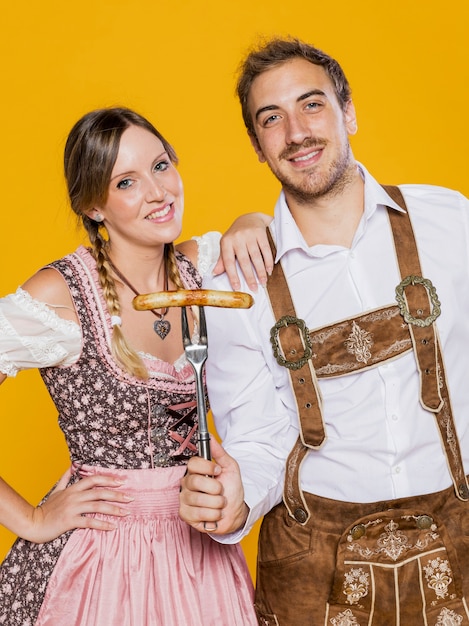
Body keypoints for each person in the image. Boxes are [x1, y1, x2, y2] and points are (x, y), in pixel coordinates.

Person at [179, 37, 469, 625]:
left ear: (349, 113)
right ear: (258, 147)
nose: (296, 131)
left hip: (458, 548)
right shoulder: (239, 285)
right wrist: (235, 502)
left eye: (312, 105)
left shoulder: (451, 221)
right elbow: (259, 437)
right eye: (271, 118)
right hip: (313, 565)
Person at [0, 106, 271, 625]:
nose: (158, 191)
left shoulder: (206, 268)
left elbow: (275, 236)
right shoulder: (61, 297)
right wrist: (33, 520)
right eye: (126, 181)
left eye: (162, 165)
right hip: (99, 563)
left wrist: (250, 221)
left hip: (202, 552)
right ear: (94, 206)